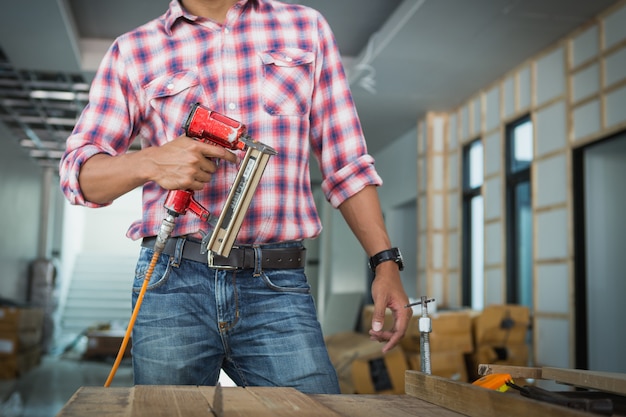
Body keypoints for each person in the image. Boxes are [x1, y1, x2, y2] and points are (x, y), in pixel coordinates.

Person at [59, 0, 411, 394]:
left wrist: (385, 262)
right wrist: (152, 162)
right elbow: (78, 175)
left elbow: (347, 162)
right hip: (173, 283)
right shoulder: (134, 50)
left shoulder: (305, 27)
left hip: (276, 282)